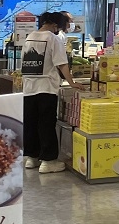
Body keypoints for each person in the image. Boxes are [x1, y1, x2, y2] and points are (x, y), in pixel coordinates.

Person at [22, 12, 82, 173]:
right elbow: (62, 64)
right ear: (55, 25)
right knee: (46, 124)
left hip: (28, 88)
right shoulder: (52, 39)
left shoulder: (29, 37)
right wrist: (72, 83)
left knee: (31, 123)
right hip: (46, 87)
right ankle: (48, 161)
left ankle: (32, 157)